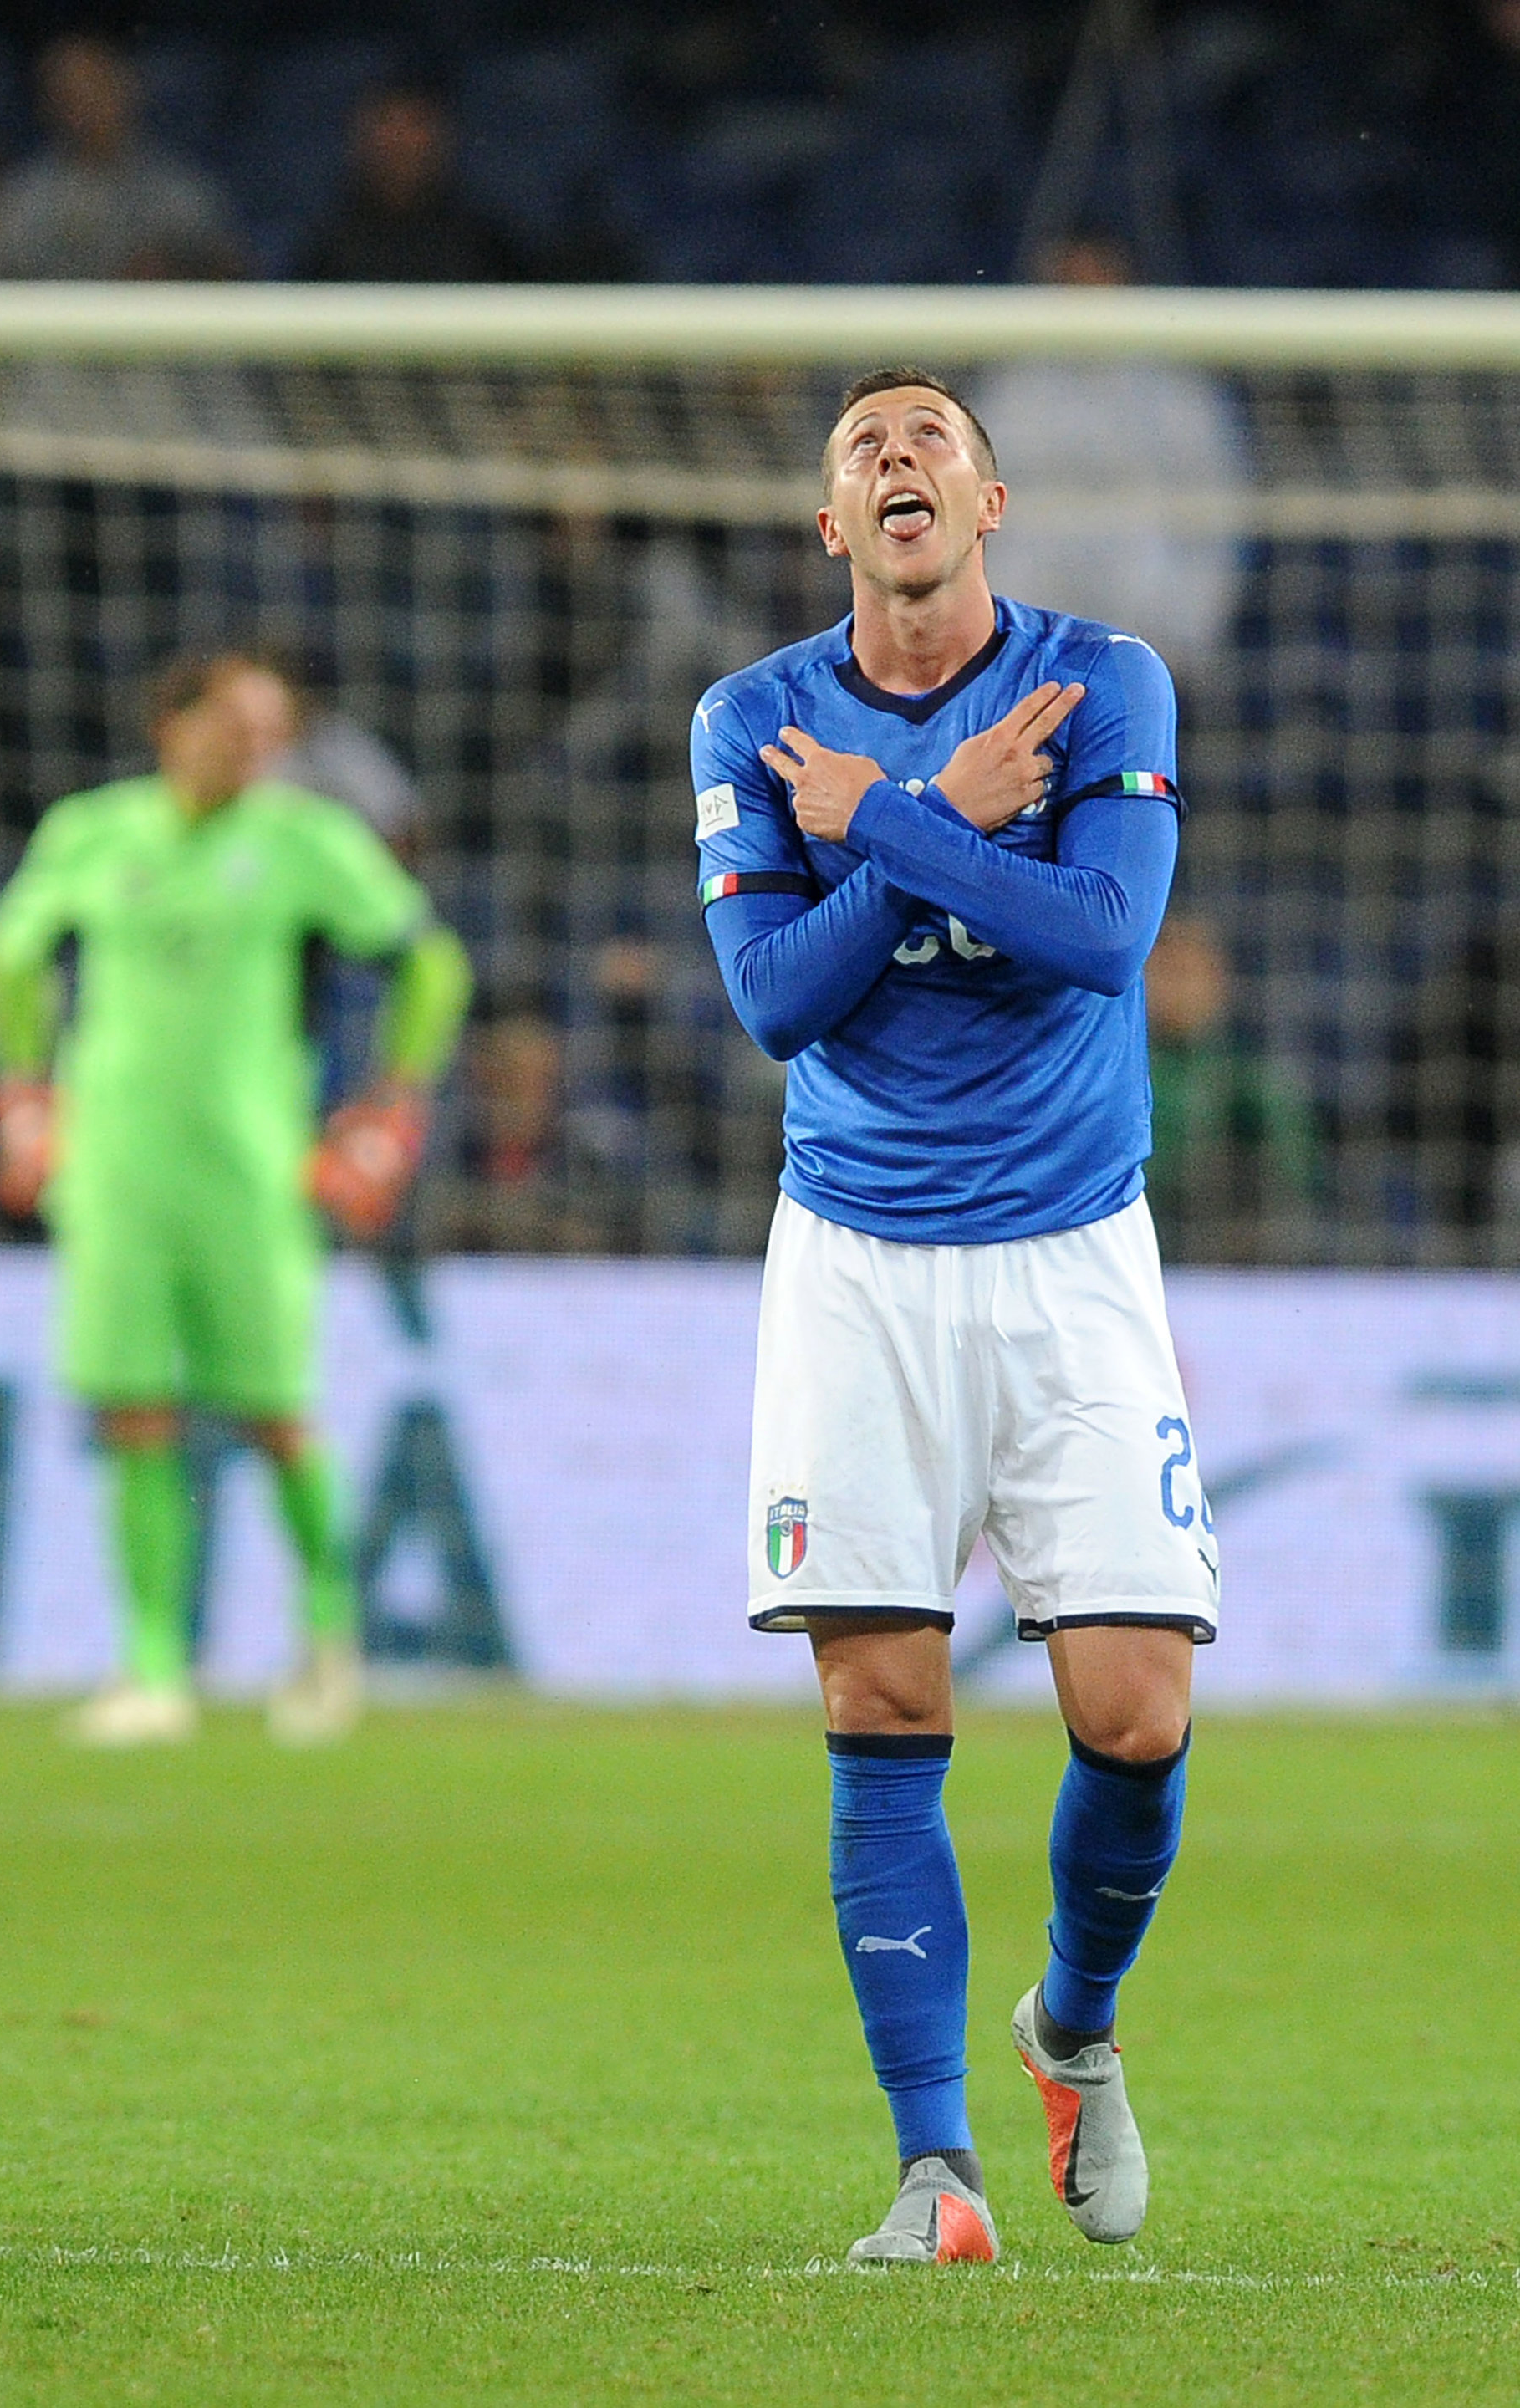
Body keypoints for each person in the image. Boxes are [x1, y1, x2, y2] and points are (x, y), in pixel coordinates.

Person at [692, 371, 1216, 2266]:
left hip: (1072, 1252)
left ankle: (1071, 2024)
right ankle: (937, 2171)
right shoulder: (753, 719)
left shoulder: (1102, 683)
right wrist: (947, 824)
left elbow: (1102, 936)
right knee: (882, 1700)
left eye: (930, 436)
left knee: (1133, 1713)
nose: (897, 454)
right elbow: (774, 1001)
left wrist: (885, 827)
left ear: (990, 500)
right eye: (863, 445)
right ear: (831, 523)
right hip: (856, 1257)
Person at [0, 651, 472, 1747]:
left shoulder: (305, 839)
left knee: (274, 1414)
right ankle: (153, 1669)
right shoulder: (91, 832)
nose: (260, 748)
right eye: (239, 726)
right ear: (174, 723)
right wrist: (23, 1098)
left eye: (272, 731)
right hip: (115, 1172)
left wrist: (391, 1115)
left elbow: (431, 965)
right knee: (133, 1410)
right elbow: (9, 958)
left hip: (252, 1175)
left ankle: (328, 1643)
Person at [972, 231, 1248, 688]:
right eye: (1071, 285)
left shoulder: (1179, 395)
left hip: (1148, 616)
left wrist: (1190, 626)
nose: (1083, 301)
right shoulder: (1010, 392)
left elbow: (1217, 511)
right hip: (1031, 623)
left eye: (1095, 282)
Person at [0, 33, 241, 281]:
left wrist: (172, 267)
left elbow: (229, 269)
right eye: (69, 94)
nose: (86, 106)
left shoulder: (178, 189)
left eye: (94, 87)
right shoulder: (24, 197)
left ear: (125, 87)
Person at [1144, 911, 1319, 1260]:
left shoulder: (1246, 1076)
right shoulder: (1117, 1069)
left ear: (1217, 981)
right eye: (1164, 971)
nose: (1175, 988)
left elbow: (1294, 1172)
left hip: (1221, 1249)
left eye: (1187, 973)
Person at [297, 82, 527, 284]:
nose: (400, 139)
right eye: (387, 122)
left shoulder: (483, 245)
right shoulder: (327, 246)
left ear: (442, 137)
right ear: (362, 136)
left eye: (415, 123)